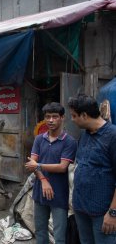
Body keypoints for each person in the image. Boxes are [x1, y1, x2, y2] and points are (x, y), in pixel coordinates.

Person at [25, 102, 77, 244]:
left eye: (55, 116)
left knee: (60, 236)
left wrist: (39, 165)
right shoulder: (39, 139)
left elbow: (62, 167)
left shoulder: (69, 142)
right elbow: (31, 164)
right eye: (48, 117)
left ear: (62, 118)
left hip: (59, 194)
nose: (51, 120)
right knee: (40, 231)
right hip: (39, 191)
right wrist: (43, 180)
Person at [68, 94, 116, 243]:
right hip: (81, 207)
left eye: (74, 116)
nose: (72, 119)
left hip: (102, 212)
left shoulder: (113, 136)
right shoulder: (84, 135)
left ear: (84, 115)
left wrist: (113, 213)